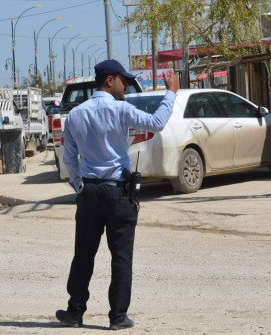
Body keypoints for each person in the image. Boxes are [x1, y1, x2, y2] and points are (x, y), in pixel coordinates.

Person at [55, 59, 179, 330]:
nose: (126, 85)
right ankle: (118, 317)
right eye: (123, 79)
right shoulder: (121, 109)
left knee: (83, 255)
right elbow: (157, 122)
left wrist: (79, 187)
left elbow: (70, 159)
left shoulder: (76, 115)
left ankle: (75, 313)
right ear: (109, 81)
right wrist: (171, 92)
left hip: (89, 193)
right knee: (121, 257)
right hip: (118, 194)